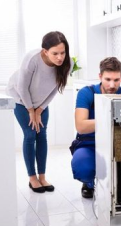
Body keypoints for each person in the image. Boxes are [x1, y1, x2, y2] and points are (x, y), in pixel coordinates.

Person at [6, 31, 72, 193]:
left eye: (62, 53)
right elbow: (21, 87)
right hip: (21, 99)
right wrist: (30, 110)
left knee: (41, 134)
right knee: (30, 134)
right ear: (45, 51)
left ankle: (42, 177)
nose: (59, 57)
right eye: (55, 53)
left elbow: (56, 87)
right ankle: (32, 178)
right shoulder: (32, 59)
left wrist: (40, 109)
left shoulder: (66, 63)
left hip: (41, 103)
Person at [71, 57, 121, 198]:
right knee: (84, 168)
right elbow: (81, 126)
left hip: (117, 143)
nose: (112, 85)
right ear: (100, 76)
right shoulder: (86, 93)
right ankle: (88, 182)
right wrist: (112, 118)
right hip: (89, 143)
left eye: (116, 80)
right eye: (107, 79)